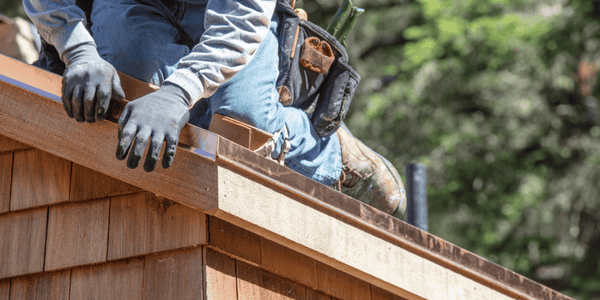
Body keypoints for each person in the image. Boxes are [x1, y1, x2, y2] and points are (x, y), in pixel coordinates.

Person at [24, 0, 407, 217]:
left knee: (241, 127)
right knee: (129, 91)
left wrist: (177, 94)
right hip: (131, 3)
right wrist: (78, 51)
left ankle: (329, 154)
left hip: (230, 11)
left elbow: (239, 23)